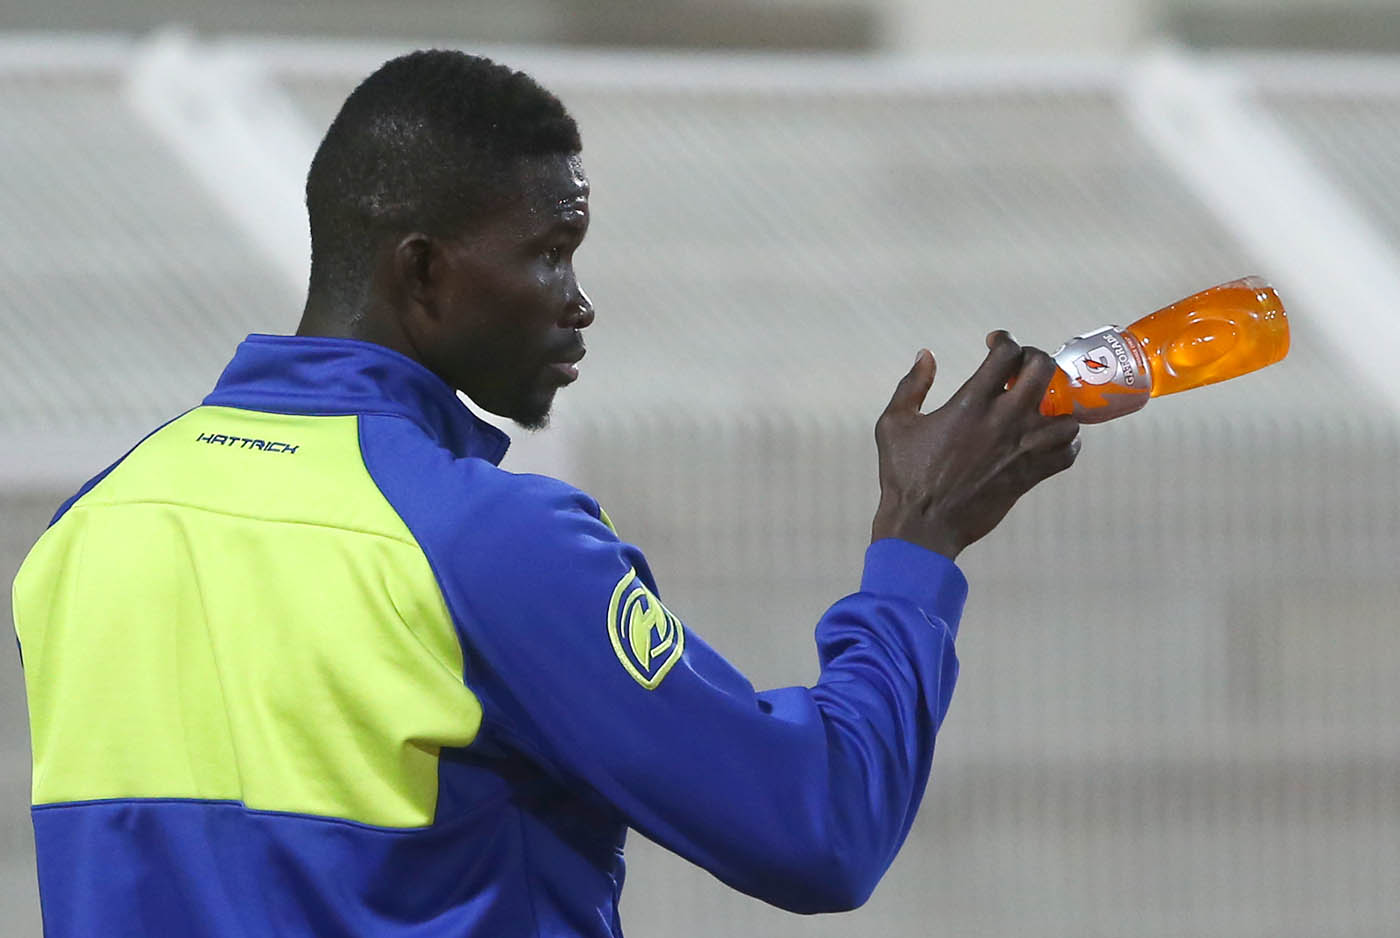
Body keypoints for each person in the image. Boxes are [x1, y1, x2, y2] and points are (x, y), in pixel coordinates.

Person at [11, 50, 1080, 937]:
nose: (579, 302)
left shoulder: (93, 522)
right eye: (549, 254)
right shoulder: (481, 541)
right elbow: (821, 826)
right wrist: (916, 542)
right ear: (422, 272)